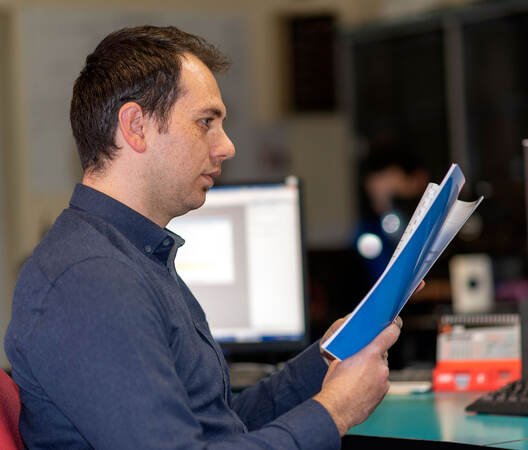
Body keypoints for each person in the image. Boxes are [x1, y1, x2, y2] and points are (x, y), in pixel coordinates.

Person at [4, 26, 416, 449]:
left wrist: (330, 355)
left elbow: (220, 426)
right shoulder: (90, 279)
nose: (227, 147)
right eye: (206, 122)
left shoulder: (132, 256)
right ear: (136, 126)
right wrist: (336, 410)